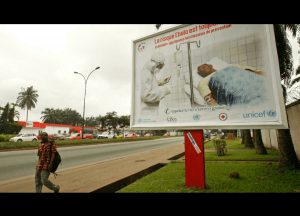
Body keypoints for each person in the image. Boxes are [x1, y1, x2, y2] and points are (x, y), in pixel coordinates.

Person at [197, 63, 266, 106]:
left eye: (203, 66)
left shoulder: (231, 66)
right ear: (201, 74)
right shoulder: (203, 82)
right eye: (200, 70)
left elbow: (254, 72)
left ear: (210, 65)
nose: (201, 68)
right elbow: (210, 100)